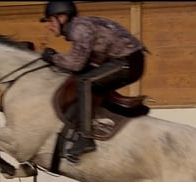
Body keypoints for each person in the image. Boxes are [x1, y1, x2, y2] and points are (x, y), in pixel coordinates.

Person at [39, 0, 146, 163]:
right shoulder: (81, 26)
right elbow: (84, 61)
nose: (48, 26)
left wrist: (53, 57)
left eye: (50, 20)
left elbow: (75, 64)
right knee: (86, 78)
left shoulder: (80, 28)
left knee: (85, 82)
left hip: (127, 63)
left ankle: (85, 138)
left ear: (62, 17)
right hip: (125, 60)